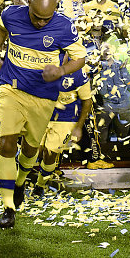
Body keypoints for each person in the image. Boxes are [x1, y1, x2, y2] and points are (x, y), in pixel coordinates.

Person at [0, 0, 85, 229]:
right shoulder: (11, 14)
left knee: (31, 149)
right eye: (36, 18)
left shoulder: (64, 26)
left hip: (43, 95)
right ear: (28, 4)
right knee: (7, 143)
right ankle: (8, 206)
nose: (41, 24)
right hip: (12, 88)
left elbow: (80, 58)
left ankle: (20, 181)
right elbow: (1, 28)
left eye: (46, 19)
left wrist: (61, 71)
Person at [32, 61, 93, 197]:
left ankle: (40, 186)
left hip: (66, 119)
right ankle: (23, 178)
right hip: (42, 116)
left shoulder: (79, 72)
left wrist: (78, 127)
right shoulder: (43, 63)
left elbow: (87, 100)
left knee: (50, 154)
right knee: (34, 151)